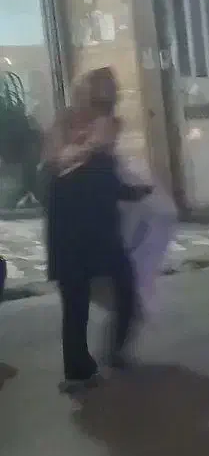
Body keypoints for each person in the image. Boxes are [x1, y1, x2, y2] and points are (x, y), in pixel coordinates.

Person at [42, 67, 151, 393]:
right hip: (71, 225)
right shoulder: (67, 123)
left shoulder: (107, 125)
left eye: (110, 94)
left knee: (122, 287)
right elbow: (56, 164)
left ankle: (111, 352)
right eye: (102, 93)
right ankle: (78, 369)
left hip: (96, 226)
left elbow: (104, 178)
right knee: (77, 298)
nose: (108, 99)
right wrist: (89, 145)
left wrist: (132, 192)